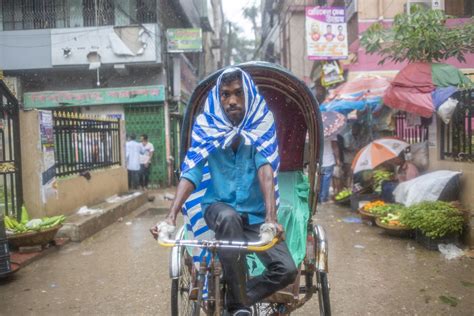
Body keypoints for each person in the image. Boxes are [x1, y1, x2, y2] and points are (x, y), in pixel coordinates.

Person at [152, 68, 297, 315]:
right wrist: (170, 216)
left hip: (255, 215)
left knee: (287, 270)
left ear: (248, 95)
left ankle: (235, 302)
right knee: (229, 219)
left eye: (238, 94)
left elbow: (265, 168)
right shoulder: (207, 125)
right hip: (218, 208)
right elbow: (192, 171)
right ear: (219, 98)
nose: (231, 101)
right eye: (225, 95)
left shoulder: (261, 122)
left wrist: (271, 219)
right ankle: (240, 305)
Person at [320, 135, 341, 203]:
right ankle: (324, 198)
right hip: (328, 161)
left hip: (319, 162)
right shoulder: (332, 134)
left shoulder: (316, 134)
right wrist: (337, 159)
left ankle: (319, 197)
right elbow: (335, 148)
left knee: (320, 180)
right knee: (326, 180)